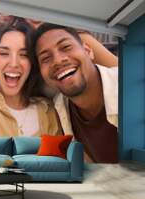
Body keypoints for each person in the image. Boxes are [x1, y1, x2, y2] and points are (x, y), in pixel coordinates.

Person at [35, 23, 118, 163]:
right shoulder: (58, 109)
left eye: (66, 47)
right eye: (46, 58)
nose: (58, 60)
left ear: (88, 50)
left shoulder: (133, 88)